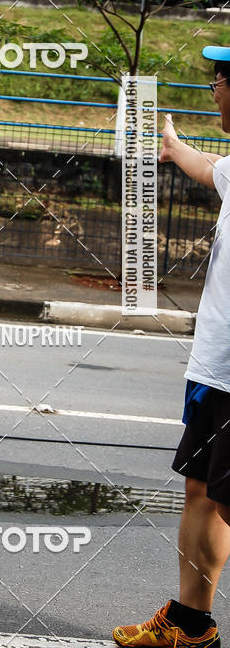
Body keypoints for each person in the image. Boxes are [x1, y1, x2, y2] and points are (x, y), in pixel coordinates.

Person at [113, 45, 230, 648]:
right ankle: (191, 624)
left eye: (223, 77)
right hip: (215, 367)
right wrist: (172, 144)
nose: (216, 85)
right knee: (203, 492)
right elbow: (208, 167)